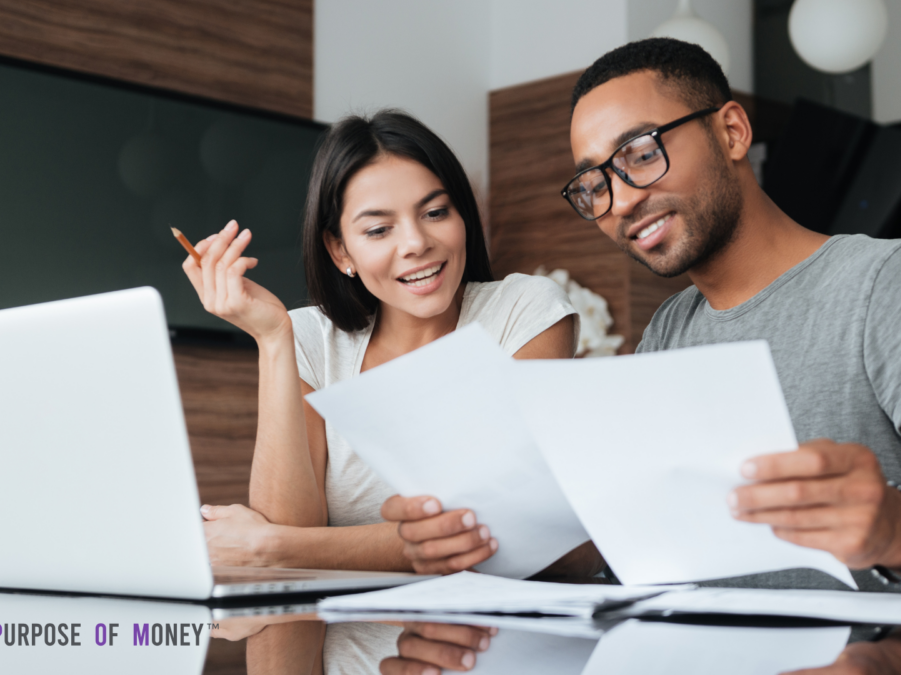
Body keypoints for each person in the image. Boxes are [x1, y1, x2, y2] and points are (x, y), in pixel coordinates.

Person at [386, 38, 901, 600]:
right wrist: (475, 538)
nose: (619, 201)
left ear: (732, 131)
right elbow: (633, 542)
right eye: (595, 184)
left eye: (641, 153)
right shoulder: (669, 331)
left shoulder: (891, 281)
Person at [181, 110, 595, 672]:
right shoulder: (309, 338)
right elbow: (286, 551)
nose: (417, 243)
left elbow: (498, 533)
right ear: (340, 251)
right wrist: (273, 339)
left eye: (435, 212)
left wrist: (269, 547)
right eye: (379, 229)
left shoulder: (525, 313)